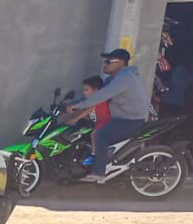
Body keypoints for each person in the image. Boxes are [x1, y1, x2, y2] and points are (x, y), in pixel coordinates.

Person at [64, 48, 151, 180]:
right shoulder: (113, 79)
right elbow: (96, 95)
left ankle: (99, 172)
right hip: (118, 117)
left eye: (109, 61)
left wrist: (77, 108)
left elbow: (101, 97)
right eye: (105, 61)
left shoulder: (124, 79)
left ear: (121, 63)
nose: (105, 64)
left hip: (130, 120)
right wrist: (71, 104)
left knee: (100, 134)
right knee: (87, 126)